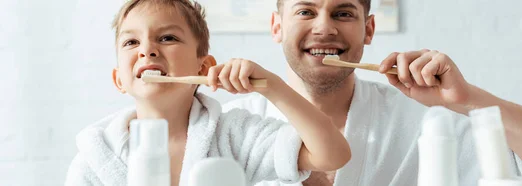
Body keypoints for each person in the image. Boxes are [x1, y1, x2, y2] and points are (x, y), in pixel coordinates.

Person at [224, 0, 522, 185]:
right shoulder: (234, 127)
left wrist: (465, 98)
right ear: (276, 26)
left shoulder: (427, 119)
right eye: (306, 11)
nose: (324, 28)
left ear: (369, 30)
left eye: (343, 13)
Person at [65, 0, 351, 185]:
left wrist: (272, 86)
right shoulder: (97, 157)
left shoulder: (234, 134)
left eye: (167, 38)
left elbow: (332, 154)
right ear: (119, 80)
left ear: (204, 68)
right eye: (131, 42)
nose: (146, 50)